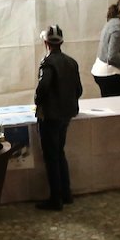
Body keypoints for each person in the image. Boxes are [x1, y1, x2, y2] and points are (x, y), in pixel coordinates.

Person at [33, 24, 81, 211]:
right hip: (66, 114)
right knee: (60, 153)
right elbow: (79, 90)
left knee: (51, 157)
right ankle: (66, 193)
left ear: (46, 43)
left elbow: (43, 87)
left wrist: (38, 101)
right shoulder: (72, 62)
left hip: (50, 115)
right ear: (61, 42)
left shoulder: (48, 63)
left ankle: (56, 199)